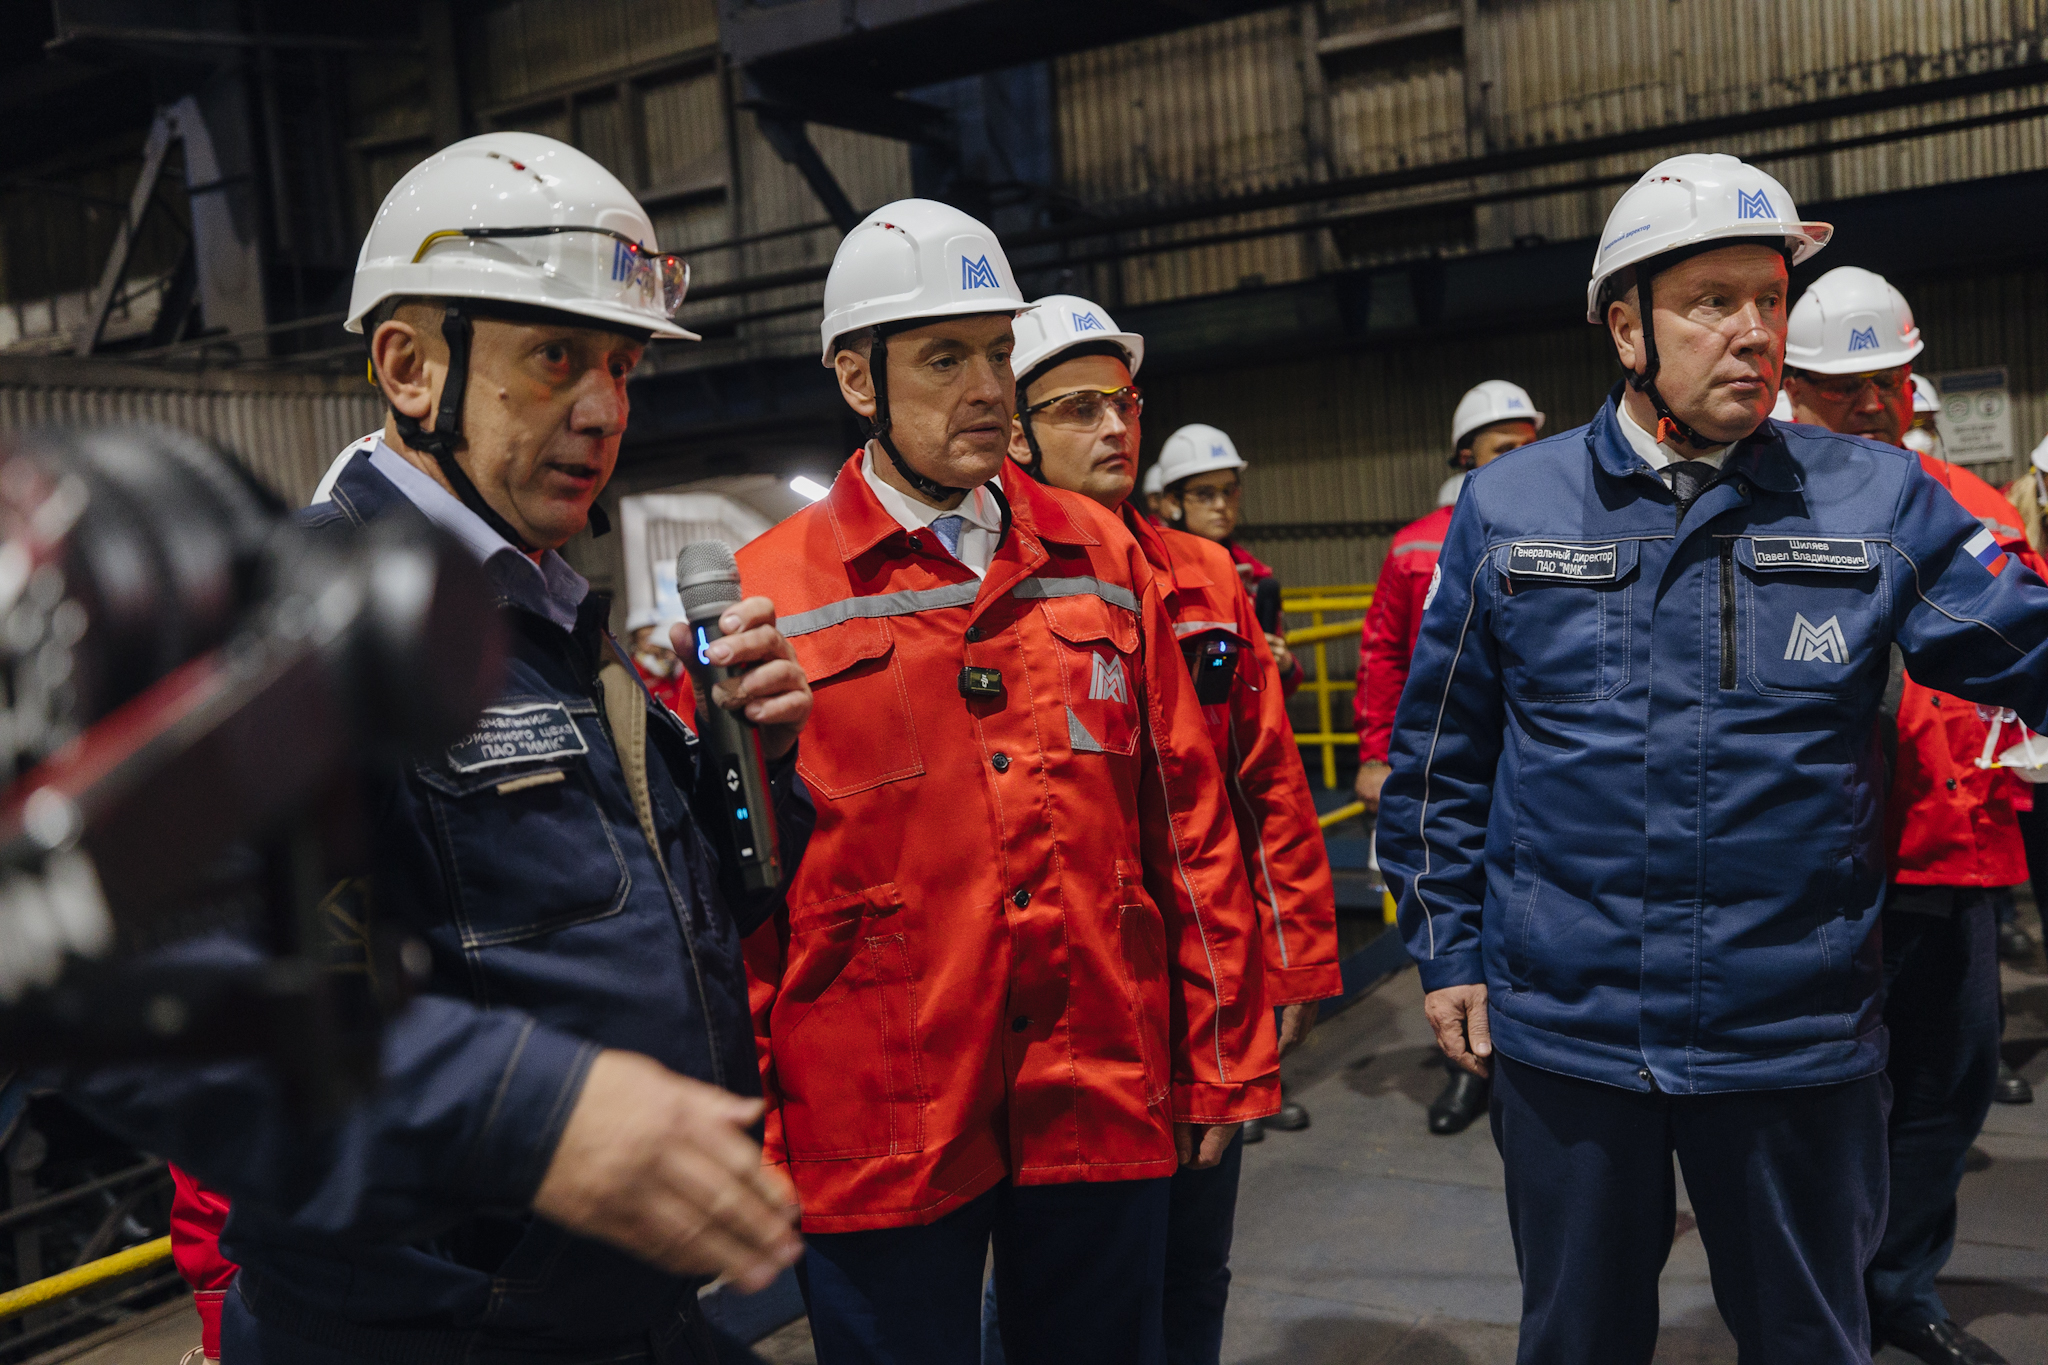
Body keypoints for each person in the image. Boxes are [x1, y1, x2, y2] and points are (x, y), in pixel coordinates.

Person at [64, 132, 817, 1363]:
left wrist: (759, 770)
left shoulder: (548, 617)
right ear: (412, 369)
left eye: (622, 366)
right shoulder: (284, 632)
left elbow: (667, 920)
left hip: (612, 1309)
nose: (604, 411)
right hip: (423, 1329)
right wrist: (534, 1113)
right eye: (557, 357)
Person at [1377, 152, 2048, 1364]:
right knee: (1575, 1339)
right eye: (1711, 303)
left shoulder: (1875, 502)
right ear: (1625, 328)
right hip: (1570, 1039)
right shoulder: (1511, 511)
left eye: (1769, 299)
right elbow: (1439, 755)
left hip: (1790, 1038)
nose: (1754, 332)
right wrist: (1447, 951)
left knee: (1810, 1338)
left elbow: (2024, 642)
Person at [735, 201, 1279, 1365]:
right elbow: (741, 896)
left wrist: (1223, 1052)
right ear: (857, 378)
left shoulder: (1102, 557)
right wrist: (752, 1120)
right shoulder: (768, 595)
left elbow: (1186, 822)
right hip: (879, 1107)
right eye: (945, 359)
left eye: (996, 352)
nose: (987, 388)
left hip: (1093, 1071)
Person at [1004, 293, 1342, 1363]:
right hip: (1075, 992)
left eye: (1124, 401)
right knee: (1064, 1290)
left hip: (1208, 967)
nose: (1115, 426)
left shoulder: (1204, 577)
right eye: (1079, 407)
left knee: (1194, 1259)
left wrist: (1291, 959)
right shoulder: (996, 587)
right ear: (1013, 431)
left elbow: (1267, 779)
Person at [1782, 264, 2037, 1365]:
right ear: (1792, 388)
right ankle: (1815, 1296)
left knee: (1947, 1083)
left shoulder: (1973, 508)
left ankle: (1899, 1286)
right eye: (1845, 387)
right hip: (1817, 867)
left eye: (1888, 380)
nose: (1873, 403)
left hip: (1956, 852)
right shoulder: (1761, 513)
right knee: (1815, 1097)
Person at [1351, 381, 1542, 1137]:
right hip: (1449, 756)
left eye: (1529, 444)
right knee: (1452, 903)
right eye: (1504, 448)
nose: (1522, 457)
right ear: (1467, 455)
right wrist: (1376, 754)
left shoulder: (1562, 529)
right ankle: (1470, 1065)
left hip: (1526, 758)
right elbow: (1384, 655)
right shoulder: (1416, 545)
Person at [1155, 426, 1301, 694]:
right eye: (1204, 494)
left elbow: (1275, 691)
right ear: (1173, 501)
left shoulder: (1255, 577)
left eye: (1229, 490)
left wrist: (1284, 667)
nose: (1221, 504)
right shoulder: (1152, 573)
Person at [626, 606, 696, 719]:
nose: (651, 642)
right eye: (645, 638)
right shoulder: (631, 672)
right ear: (634, 640)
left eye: (654, 635)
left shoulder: (678, 665)